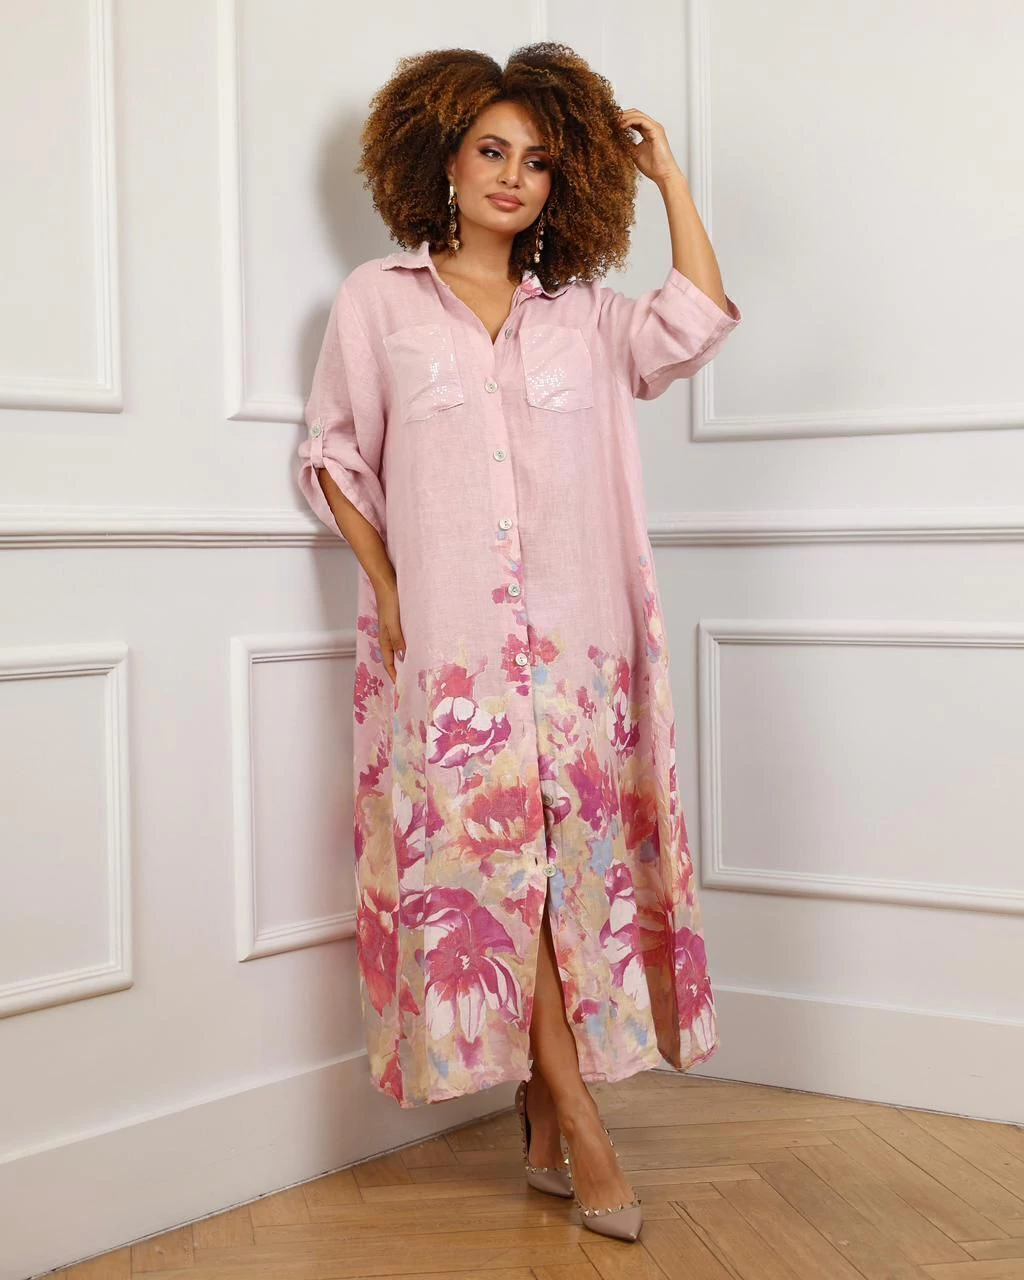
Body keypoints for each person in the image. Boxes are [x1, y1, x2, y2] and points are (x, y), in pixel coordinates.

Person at [296, 42, 742, 1242]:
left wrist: (669, 180)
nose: (512, 176)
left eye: (538, 160)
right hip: (452, 656)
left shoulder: (587, 316)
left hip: (582, 651)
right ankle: (581, 1122)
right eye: (490, 151)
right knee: (494, 879)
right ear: (441, 159)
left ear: (565, 180)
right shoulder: (379, 301)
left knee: (567, 877)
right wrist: (389, 591)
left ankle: (545, 1113)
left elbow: (696, 320)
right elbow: (332, 454)